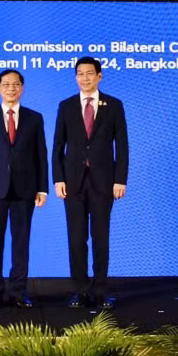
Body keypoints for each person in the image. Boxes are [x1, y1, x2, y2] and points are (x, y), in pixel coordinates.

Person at [52, 56, 128, 309]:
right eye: (80, 74)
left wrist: (120, 180)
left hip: (104, 182)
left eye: (89, 73)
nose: (84, 78)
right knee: (76, 238)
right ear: (76, 77)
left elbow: (123, 146)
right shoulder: (65, 106)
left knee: (100, 237)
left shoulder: (114, 105)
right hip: (72, 183)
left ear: (99, 76)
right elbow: (57, 146)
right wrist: (58, 178)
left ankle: (101, 291)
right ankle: (80, 291)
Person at [0, 69, 48, 309]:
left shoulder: (35, 118)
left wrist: (42, 189)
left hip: (25, 190)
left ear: (22, 88)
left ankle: (18, 292)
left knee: (21, 243)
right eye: (6, 84)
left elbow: (41, 156)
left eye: (16, 84)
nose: (11, 88)